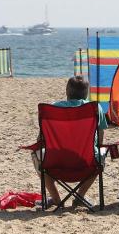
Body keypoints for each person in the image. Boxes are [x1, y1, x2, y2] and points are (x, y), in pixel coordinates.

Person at [31, 76, 100, 204]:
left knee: (35, 155)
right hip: (86, 163)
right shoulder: (95, 108)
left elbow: (41, 139)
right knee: (101, 158)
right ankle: (80, 196)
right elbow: (100, 140)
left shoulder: (52, 109)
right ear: (86, 93)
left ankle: (56, 198)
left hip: (55, 162)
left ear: (67, 90)